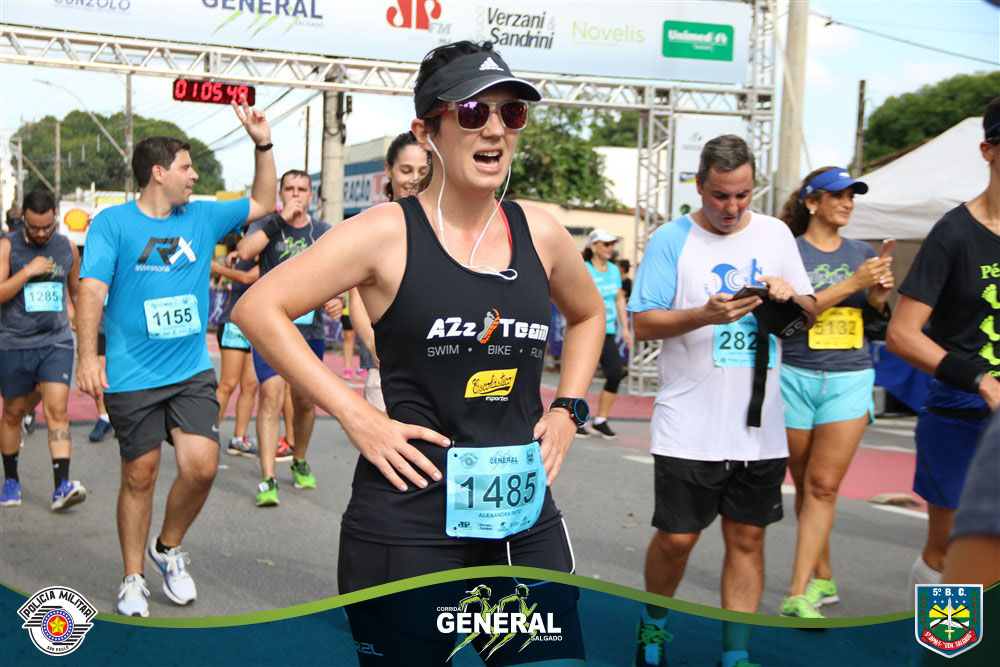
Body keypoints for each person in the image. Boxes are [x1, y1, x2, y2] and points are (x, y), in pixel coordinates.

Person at [234, 40, 603, 664]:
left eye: (511, 113)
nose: (495, 129)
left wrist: (569, 408)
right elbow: (258, 309)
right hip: (408, 522)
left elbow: (589, 314)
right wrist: (356, 414)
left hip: (519, 519)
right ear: (426, 131)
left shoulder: (539, 231)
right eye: (472, 112)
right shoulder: (385, 232)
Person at [75, 100, 276, 617]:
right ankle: (133, 577)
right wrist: (88, 357)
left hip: (189, 370)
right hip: (131, 373)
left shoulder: (202, 216)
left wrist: (263, 144)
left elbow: (264, 200)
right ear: (158, 173)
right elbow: (91, 290)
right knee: (139, 473)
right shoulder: (112, 224)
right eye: (187, 167)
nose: (195, 176)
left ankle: (167, 548)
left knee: (202, 465)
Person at [628, 135, 816, 667]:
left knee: (748, 539)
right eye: (719, 196)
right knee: (677, 540)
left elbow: (809, 315)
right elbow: (643, 323)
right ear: (698, 186)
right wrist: (703, 315)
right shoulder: (671, 239)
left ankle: (736, 655)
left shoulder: (776, 233)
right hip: (689, 421)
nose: (731, 208)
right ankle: (654, 626)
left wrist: (790, 297)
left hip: (760, 424)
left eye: (742, 195)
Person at [887, 98, 1000, 590]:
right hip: (962, 416)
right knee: (950, 549)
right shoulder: (953, 233)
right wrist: (981, 381)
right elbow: (902, 334)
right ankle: (944, 637)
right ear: (988, 151)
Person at [774, 167, 894, 618]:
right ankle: (822, 574)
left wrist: (877, 296)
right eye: (838, 195)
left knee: (823, 487)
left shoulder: (862, 252)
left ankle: (798, 591)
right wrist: (853, 284)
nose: (847, 203)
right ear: (812, 202)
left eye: (852, 196)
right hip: (794, 374)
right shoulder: (788, 250)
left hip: (849, 376)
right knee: (806, 482)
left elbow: (875, 319)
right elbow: (791, 315)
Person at [236, 169, 343, 507]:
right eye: (290, 189)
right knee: (270, 394)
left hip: (310, 331)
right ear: (281, 194)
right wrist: (279, 220)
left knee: (305, 401)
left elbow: (340, 273)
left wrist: (338, 299)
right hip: (270, 328)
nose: (296, 194)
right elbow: (244, 252)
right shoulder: (267, 225)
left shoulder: (322, 231)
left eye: (302, 189)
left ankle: (299, 458)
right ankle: (268, 478)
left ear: (311, 196)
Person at [1, 189, 87, 510]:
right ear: (23, 217)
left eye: (47, 227)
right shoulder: (8, 246)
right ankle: (11, 481)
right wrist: (27, 272)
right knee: (12, 413)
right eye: (34, 227)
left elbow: (76, 293)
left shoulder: (67, 248)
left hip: (56, 341)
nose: (40, 233)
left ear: (55, 217)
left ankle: (62, 485)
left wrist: (81, 327)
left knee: (57, 411)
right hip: (14, 343)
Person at [348, 131, 431, 411]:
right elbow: (357, 302)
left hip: (439, 366)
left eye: (423, 171)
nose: (414, 179)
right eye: (406, 170)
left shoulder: (447, 227)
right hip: (386, 370)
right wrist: (376, 347)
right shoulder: (371, 228)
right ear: (389, 169)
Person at [577, 228, 631, 440]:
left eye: (612, 244)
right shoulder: (583, 268)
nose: (610, 248)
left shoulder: (614, 270)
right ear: (593, 246)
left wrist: (625, 328)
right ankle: (576, 419)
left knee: (616, 372)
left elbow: (619, 298)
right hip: (586, 330)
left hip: (607, 331)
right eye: (606, 244)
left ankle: (601, 420)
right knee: (583, 375)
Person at [209, 251, 260, 456]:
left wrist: (219, 268)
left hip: (258, 325)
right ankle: (208, 435)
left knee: (250, 385)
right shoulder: (241, 255)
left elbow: (248, 277)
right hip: (234, 324)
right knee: (228, 384)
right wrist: (223, 267)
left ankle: (239, 438)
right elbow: (243, 277)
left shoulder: (270, 255)